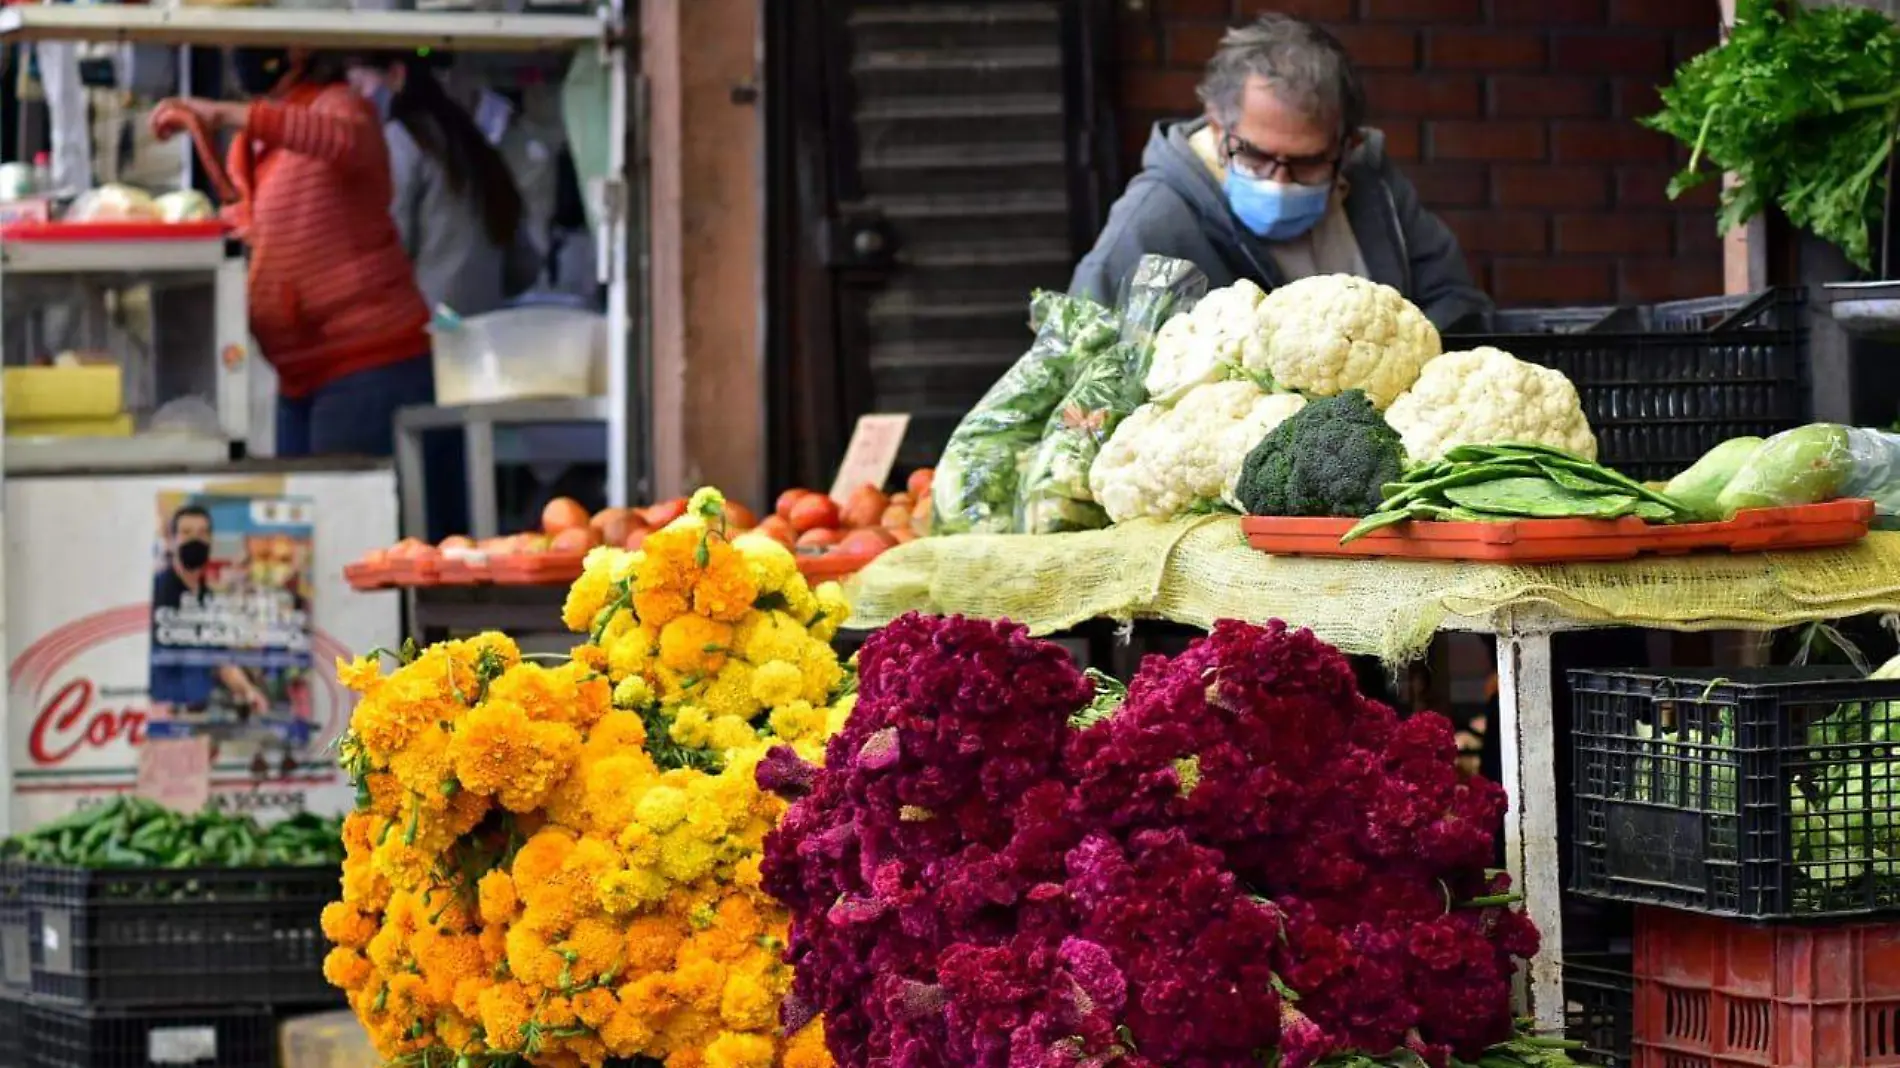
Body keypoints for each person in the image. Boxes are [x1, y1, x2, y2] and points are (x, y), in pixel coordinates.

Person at [1071, 15, 1489, 331]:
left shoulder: (1374, 185)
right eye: (1255, 155)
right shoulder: (1149, 226)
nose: (1279, 181)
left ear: (1348, 147)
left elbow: (1457, 301)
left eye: (1306, 162)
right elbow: (1076, 373)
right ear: (1219, 129)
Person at [149, 48, 434, 458]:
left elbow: (336, 138)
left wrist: (227, 114)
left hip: (367, 365)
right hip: (298, 376)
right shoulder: (255, 142)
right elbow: (259, 226)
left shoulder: (342, 107)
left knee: (343, 514)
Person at [344, 52, 539, 316]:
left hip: (425, 329)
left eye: (359, 87)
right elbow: (523, 268)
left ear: (397, 76)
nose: (354, 100)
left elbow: (391, 247)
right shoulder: (470, 138)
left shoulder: (400, 139)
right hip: (486, 326)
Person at [150, 504, 270, 715]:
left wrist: (249, 691)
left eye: (202, 533)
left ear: (210, 541)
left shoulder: (208, 598)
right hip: (161, 714)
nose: (195, 539)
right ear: (173, 539)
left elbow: (220, 658)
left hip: (196, 712)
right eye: (187, 533)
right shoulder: (156, 593)